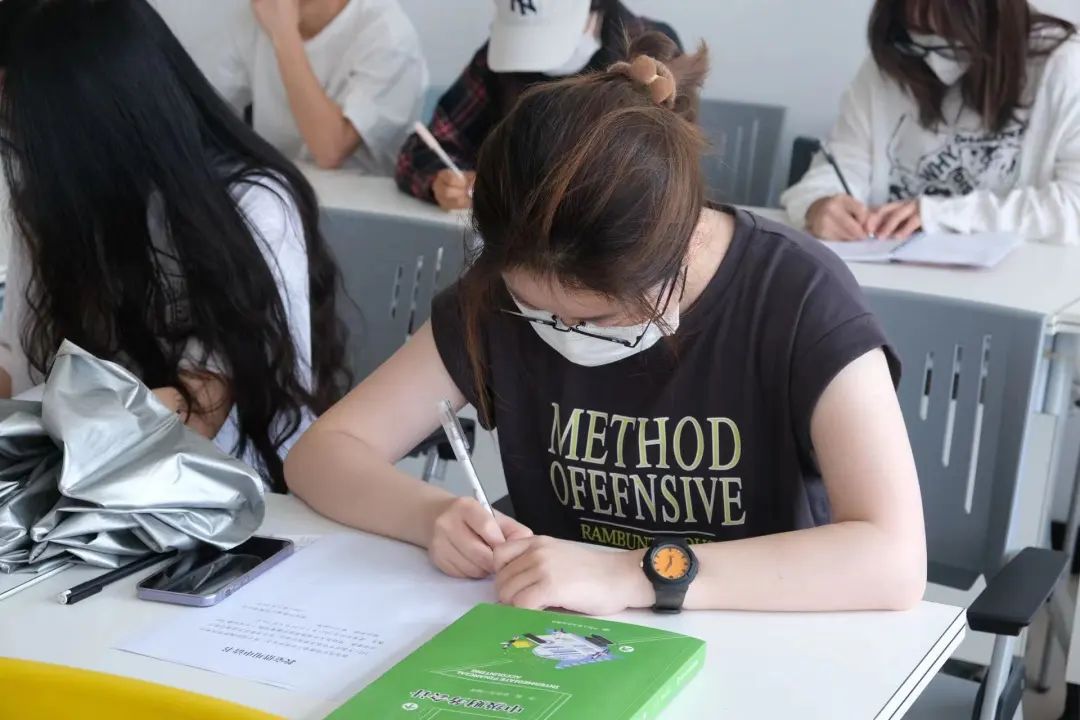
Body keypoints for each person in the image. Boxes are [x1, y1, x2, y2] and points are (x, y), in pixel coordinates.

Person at [288, 34, 927, 616]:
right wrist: (430, 515)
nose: (559, 329)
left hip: (756, 630)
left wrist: (635, 575)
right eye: (535, 308)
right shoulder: (499, 291)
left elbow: (893, 559)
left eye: (592, 317)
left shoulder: (795, 296)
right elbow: (323, 454)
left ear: (677, 246)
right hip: (558, 639)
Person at [0, 0, 348, 491]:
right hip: (80, 473)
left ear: (88, 126)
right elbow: (19, 367)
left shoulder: (252, 205)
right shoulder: (48, 197)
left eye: (25, 129)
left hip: (226, 491)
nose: (17, 149)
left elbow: (198, 411)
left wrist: (52, 428)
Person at [781, 0, 1080, 243]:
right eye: (918, 35)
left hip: (1018, 285)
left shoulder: (1063, 66)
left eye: (948, 41)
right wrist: (818, 205)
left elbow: (1073, 207)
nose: (933, 60)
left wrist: (939, 215)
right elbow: (836, 170)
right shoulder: (893, 59)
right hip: (886, 279)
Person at [395, 0, 680, 211]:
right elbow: (424, 150)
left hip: (615, 251)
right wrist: (442, 183)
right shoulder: (499, 62)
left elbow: (673, 183)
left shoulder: (652, 50)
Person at [214, 0, 427, 173]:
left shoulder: (389, 35)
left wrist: (285, 35)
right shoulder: (254, 17)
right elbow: (204, 114)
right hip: (278, 194)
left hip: (363, 206)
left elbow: (330, 150)